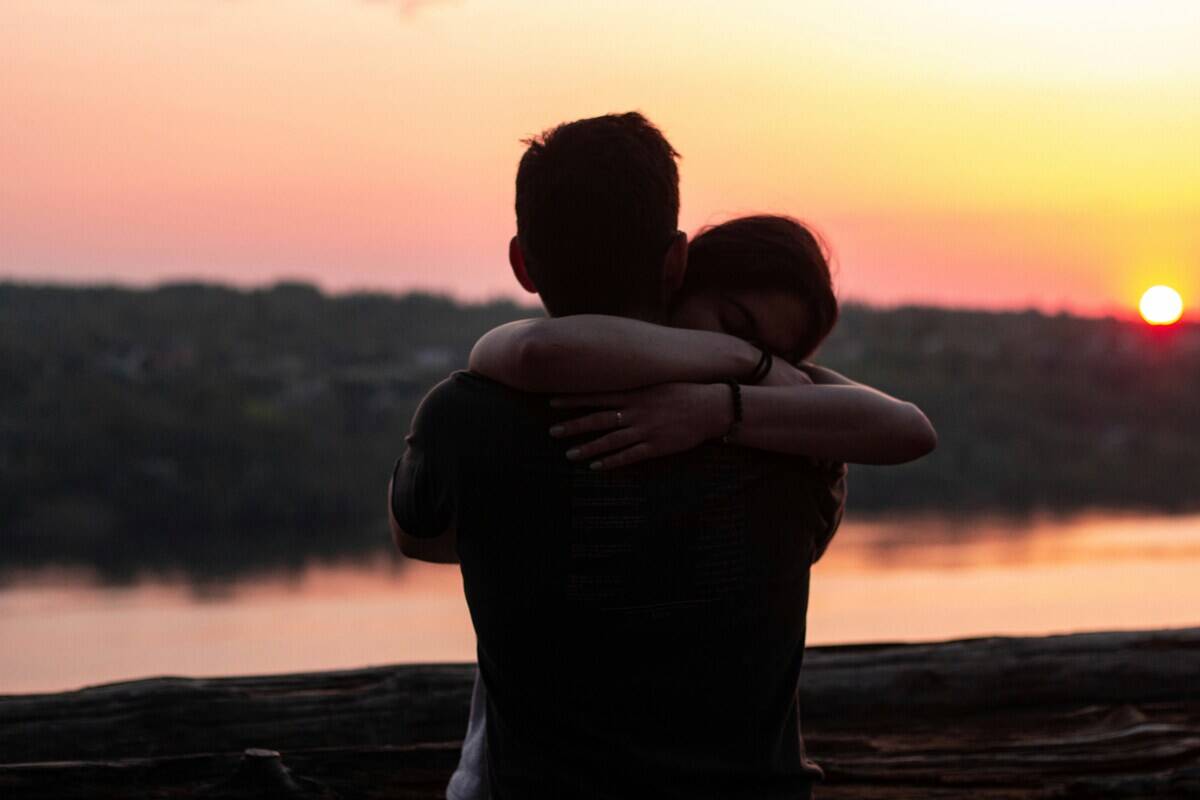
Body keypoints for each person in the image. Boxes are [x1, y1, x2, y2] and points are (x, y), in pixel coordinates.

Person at [389, 111, 930, 799]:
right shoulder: (799, 443)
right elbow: (900, 428)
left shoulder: (465, 419)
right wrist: (752, 371)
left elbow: (420, 536)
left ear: (522, 264)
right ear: (676, 263)